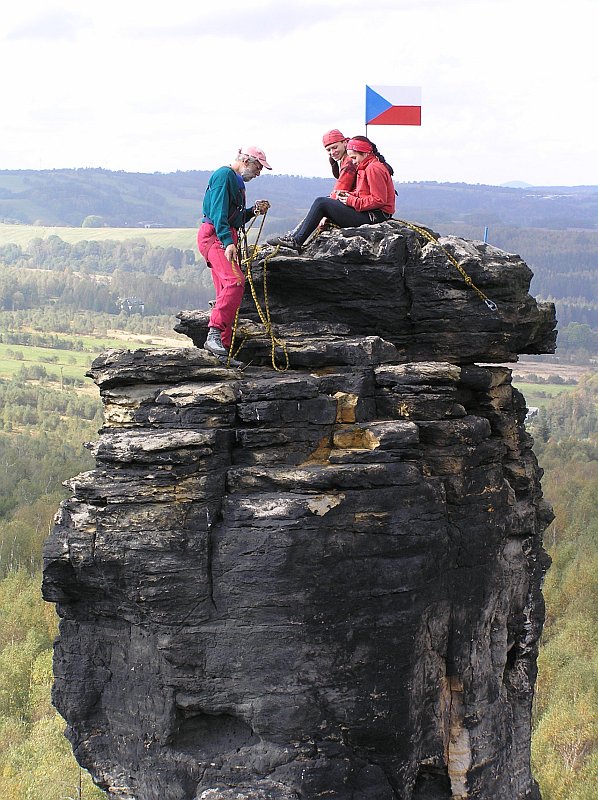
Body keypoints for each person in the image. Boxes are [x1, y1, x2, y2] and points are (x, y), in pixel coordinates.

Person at [197, 145, 271, 360]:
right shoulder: (224, 175)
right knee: (235, 282)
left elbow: (234, 217)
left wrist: (252, 212)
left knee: (225, 291)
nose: (258, 173)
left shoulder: (235, 180)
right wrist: (227, 241)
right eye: (258, 167)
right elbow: (218, 211)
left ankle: (223, 353)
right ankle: (214, 334)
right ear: (246, 161)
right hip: (216, 236)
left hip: (222, 235)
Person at [268, 136, 395, 253]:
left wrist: (351, 201)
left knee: (321, 203)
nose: (354, 162)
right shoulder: (366, 166)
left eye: (354, 158)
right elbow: (364, 193)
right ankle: (294, 238)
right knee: (326, 201)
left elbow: (379, 200)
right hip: (370, 213)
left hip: (374, 216)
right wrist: (347, 196)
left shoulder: (373, 168)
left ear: (365, 153)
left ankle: (297, 240)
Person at [322, 129, 357, 196]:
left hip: (356, 201)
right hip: (353, 198)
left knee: (320, 202)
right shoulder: (345, 159)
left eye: (335, 147)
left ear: (344, 143)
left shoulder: (349, 162)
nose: (332, 152)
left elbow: (340, 190)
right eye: (328, 150)